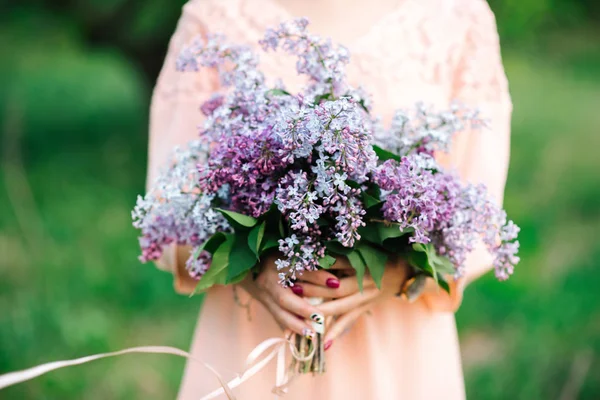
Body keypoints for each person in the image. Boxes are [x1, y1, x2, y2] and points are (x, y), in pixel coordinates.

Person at [147, 0, 512, 398]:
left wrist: (394, 274)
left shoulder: (460, 17)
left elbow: (477, 227)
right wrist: (253, 269)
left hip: (396, 355)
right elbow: (165, 220)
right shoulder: (214, 14)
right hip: (251, 347)